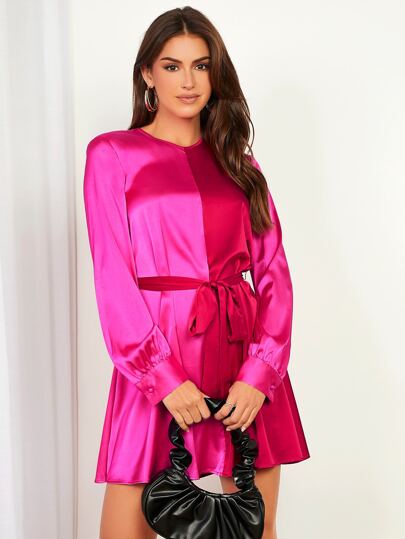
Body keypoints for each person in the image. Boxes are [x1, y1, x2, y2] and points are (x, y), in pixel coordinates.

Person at [83, 6, 310, 539]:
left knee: (252, 529)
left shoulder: (240, 164)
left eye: (201, 66)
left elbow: (273, 274)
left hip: (240, 358)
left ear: (215, 73)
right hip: (156, 358)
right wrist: (161, 377)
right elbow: (113, 278)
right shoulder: (112, 154)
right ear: (147, 74)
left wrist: (260, 375)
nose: (188, 81)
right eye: (172, 66)